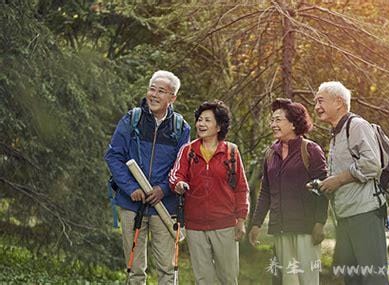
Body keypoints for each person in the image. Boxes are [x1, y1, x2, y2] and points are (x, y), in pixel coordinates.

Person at [104, 70, 190, 285]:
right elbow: (114, 156)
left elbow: (183, 167)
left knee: (167, 271)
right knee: (134, 270)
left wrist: (163, 188)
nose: (154, 94)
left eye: (161, 91)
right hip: (132, 205)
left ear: (172, 98)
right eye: (152, 88)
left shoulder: (181, 128)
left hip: (165, 208)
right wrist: (130, 187)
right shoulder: (131, 119)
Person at [314, 81, 389, 284]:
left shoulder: (356, 126)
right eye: (315, 102)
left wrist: (338, 180)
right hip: (346, 216)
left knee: (374, 278)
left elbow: (372, 164)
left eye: (320, 100)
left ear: (339, 102)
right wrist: (324, 185)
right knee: (352, 279)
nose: (316, 106)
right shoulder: (337, 133)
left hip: (364, 214)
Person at [249, 98, 328, 285]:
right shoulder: (270, 153)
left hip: (306, 229)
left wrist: (319, 222)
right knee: (287, 280)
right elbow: (265, 193)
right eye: (272, 120)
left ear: (293, 123)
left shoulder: (310, 150)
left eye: (278, 120)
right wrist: (256, 224)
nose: (273, 124)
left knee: (307, 280)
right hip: (280, 229)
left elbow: (323, 188)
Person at [169, 100, 249, 285]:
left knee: (228, 277)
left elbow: (241, 187)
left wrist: (241, 220)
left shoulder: (231, 151)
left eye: (207, 120)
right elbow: (175, 175)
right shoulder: (188, 150)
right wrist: (179, 184)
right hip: (195, 225)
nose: (201, 124)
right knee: (203, 279)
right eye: (199, 119)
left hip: (225, 225)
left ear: (219, 126)